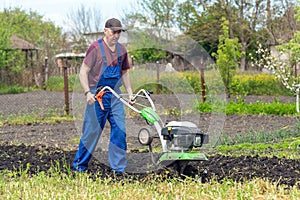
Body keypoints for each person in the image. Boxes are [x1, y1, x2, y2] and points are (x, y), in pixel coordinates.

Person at [73, 18, 134, 173]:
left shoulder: (122, 50)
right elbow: (83, 72)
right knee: (92, 132)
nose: (116, 35)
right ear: (105, 31)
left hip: (115, 95)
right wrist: (87, 92)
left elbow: (125, 73)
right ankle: (80, 166)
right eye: (114, 32)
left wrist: (130, 93)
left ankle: (118, 169)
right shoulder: (95, 48)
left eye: (119, 32)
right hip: (97, 94)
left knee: (120, 131)